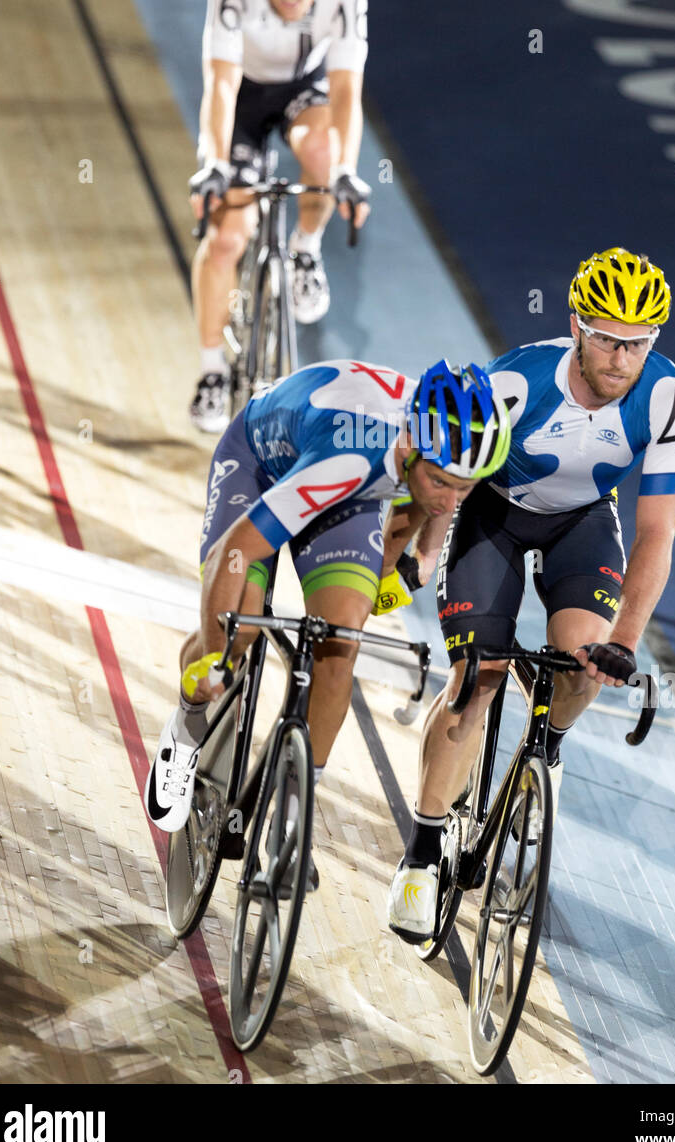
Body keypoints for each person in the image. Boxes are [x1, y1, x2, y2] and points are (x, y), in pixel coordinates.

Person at [387, 249, 675, 941]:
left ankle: (547, 747)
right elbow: (448, 478)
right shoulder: (516, 383)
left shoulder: (672, 397)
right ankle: (423, 852)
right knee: (479, 679)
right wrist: (423, 553)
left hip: (584, 522)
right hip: (492, 515)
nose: (623, 358)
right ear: (577, 328)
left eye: (639, 342)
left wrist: (623, 642)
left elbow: (657, 534)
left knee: (585, 663)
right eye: (608, 338)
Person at [145, 358, 512, 892]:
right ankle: (185, 727)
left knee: (340, 645)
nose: (452, 501)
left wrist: (415, 560)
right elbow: (235, 551)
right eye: (443, 483)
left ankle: (295, 810)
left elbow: (422, 505)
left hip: (355, 491)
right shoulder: (350, 460)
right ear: (412, 446)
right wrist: (219, 657)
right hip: (263, 467)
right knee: (238, 636)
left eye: (467, 487)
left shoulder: (444, 443)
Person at [188, 0, 371, 433]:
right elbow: (220, 85)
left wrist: (345, 171)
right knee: (227, 238)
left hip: (303, 92)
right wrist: (215, 165)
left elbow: (345, 93)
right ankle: (211, 371)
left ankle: (305, 251)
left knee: (321, 150)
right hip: (243, 98)